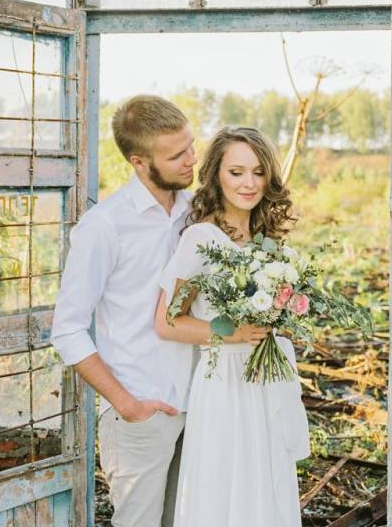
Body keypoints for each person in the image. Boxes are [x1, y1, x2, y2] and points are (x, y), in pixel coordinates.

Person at [50, 95, 198, 527]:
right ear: (138, 161)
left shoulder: (196, 213)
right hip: (140, 415)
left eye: (190, 145)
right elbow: (68, 329)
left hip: (199, 407)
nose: (192, 160)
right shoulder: (105, 226)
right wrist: (127, 404)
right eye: (176, 156)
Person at [154, 126, 311, 527]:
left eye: (259, 172)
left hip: (266, 383)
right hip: (224, 383)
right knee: (226, 489)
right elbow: (168, 321)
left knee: (267, 484)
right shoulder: (200, 238)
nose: (249, 183)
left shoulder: (269, 240)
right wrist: (233, 334)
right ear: (216, 175)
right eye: (237, 172)